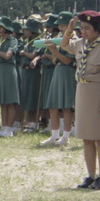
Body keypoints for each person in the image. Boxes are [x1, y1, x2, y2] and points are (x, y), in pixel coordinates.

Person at [62, 11, 100, 190]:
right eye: (82, 28)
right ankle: (91, 175)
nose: (83, 31)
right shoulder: (80, 43)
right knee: (86, 137)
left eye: (87, 28)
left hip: (98, 90)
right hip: (82, 90)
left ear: (98, 29)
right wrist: (69, 30)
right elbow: (64, 45)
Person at [43, 12, 77, 147]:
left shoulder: (73, 38)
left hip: (67, 71)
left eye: (64, 24)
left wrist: (54, 51)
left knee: (66, 106)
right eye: (60, 25)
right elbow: (55, 60)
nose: (61, 27)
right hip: (57, 70)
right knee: (53, 105)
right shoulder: (58, 38)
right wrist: (53, 51)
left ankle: (66, 136)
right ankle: (54, 135)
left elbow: (68, 60)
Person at [0, 18, 20, 137]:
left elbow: (8, 56)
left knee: (10, 101)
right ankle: (3, 128)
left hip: (8, 70)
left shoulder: (12, 40)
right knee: (2, 102)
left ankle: (9, 128)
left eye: (1, 27)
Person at [18, 17, 44, 133]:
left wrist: (24, 53)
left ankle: (34, 122)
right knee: (27, 96)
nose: (25, 31)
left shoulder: (38, 41)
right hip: (26, 71)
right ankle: (28, 122)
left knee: (33, 97)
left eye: (27, 29)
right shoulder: (28, 41)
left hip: (33, 72)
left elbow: (33, 55)